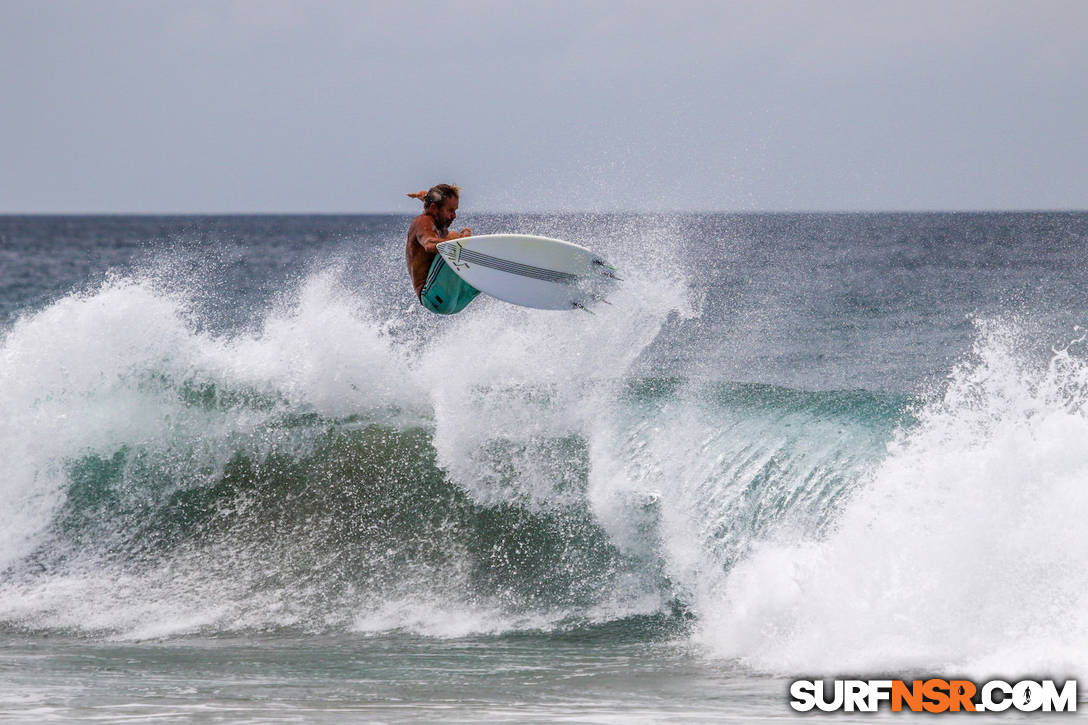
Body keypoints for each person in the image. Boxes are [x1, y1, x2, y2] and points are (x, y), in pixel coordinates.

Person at [405, 184, 480, 315]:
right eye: (450, 210)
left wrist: (421, 196)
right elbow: (429, 244)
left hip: (455, 301)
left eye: (455, 210)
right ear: (434, 208)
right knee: (456, 237)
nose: (454, 215)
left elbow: (428, 199)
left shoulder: (435, 212)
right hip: (432, 294)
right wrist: (454, 240)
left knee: (465, 238)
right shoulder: (423, 222)